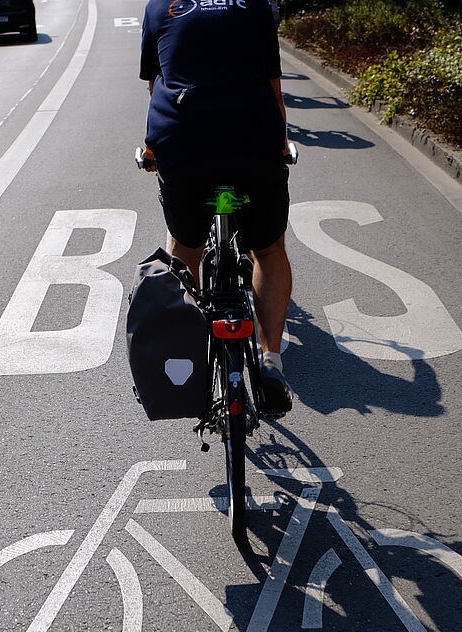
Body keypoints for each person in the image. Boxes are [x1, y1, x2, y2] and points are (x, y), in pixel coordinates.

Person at [139, 0, 294, 414]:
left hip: (183, 142)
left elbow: (156, 86)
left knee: (184, 250)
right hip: (252, 141)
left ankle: (189, 348)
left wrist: (153, 147)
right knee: (268, 249)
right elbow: (271, 85)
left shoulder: (160, 8)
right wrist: (280, 144)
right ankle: (271, 359)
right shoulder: (254, 6)